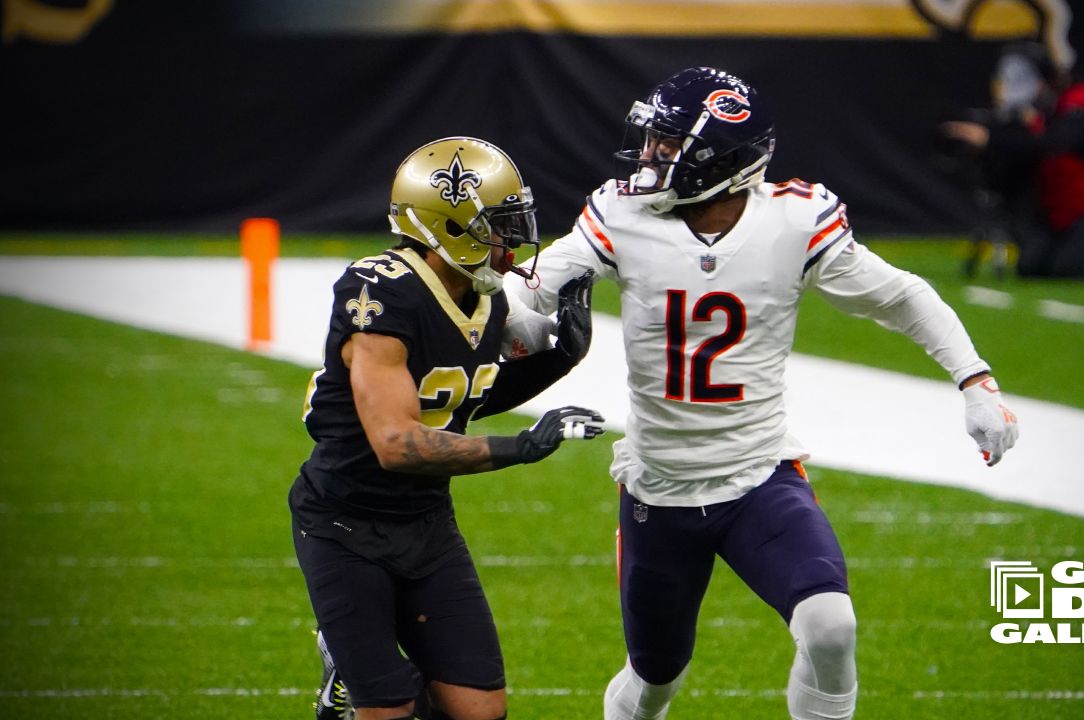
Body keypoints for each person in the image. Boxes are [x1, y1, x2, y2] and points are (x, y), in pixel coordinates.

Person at [505, 67, 1020, 720]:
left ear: (718, 160)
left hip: (758, 476)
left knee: (831, 625)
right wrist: (515, 318)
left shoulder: (795, 219)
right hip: (660, 489)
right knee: (654, 678)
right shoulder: (621, 211)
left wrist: (976, 383)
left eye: (668, 146)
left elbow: (901, 295)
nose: (649, 157)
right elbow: (533, 285)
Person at [291, 136, 604, 720]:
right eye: (498, 227)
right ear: (451, 224)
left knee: (481, 710)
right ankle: (346, 678)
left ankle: (362, 671)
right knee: (388, 710)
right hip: (345, 524)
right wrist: (522, 447)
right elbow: (397, 443)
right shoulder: (380, 290)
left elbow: (462, 400)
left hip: (427, 523)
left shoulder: (481, 298)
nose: (511, 243)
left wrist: (560, 357)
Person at [940, 42, 1084, 279]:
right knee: (1032, 266)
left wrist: (991, 138)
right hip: (1061, 217)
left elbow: (1055, 142)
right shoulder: (1039, 117)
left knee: (1073, 265)